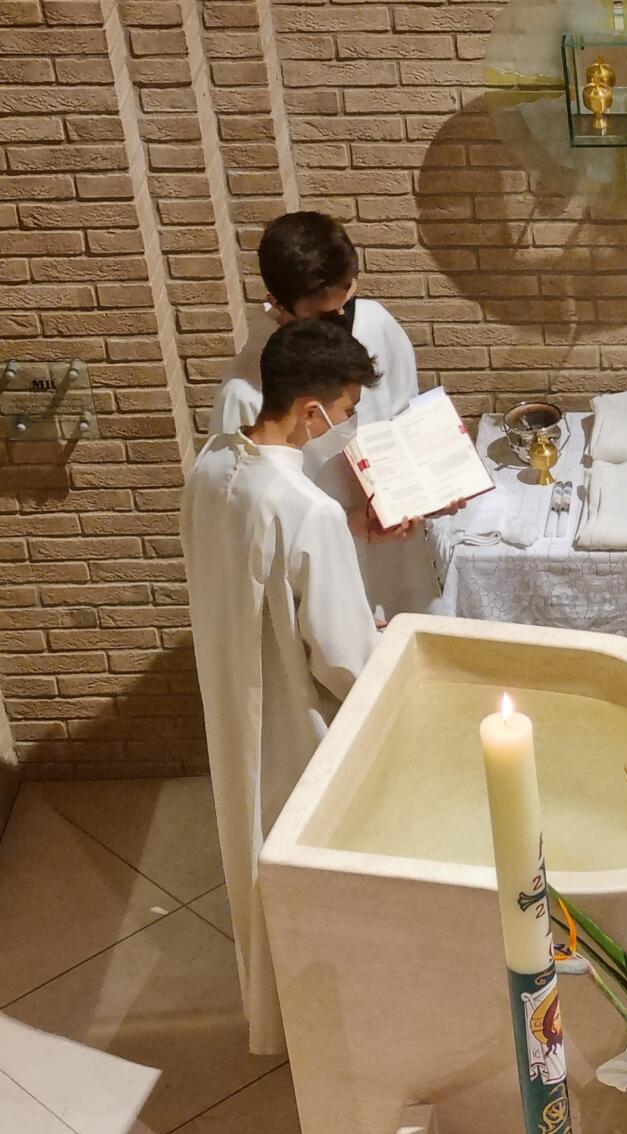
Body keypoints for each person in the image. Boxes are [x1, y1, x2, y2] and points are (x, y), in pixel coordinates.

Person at [183, 319, 383, 1054]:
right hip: (298, 724)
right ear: (310, 411)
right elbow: (345, 661)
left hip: (235, 695)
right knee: (311, 868)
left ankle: (275, 1009)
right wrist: (377, 639)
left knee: (252, 845)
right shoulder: (308, 510)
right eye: (347, 409)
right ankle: (325, 1024)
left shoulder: (211, 465)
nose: (347, 424)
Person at [214, 210, 442, 622]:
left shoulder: (374, 324)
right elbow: (254, 517)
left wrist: (432, 488)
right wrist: (353, 522)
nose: (343, 323)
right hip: (322, 570)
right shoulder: (246, 392)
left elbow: (403, 419)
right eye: (323, 315)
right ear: (278, 303)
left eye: (347, 303)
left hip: (397, 551)